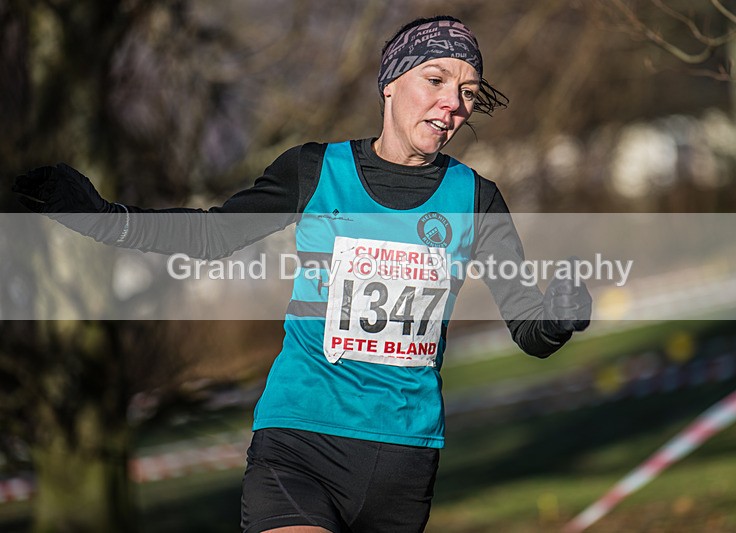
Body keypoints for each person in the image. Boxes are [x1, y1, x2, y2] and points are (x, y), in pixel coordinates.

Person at [14, 15, 592, 533]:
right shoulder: (315, 171)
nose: (453, 103)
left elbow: (530, 331)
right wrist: (104, 221)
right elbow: (214, 236)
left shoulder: (475, 199)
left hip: (404, 460)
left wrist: (558, 317)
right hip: (300, 442)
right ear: (390, 83)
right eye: (436, 80)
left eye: (467, 92)